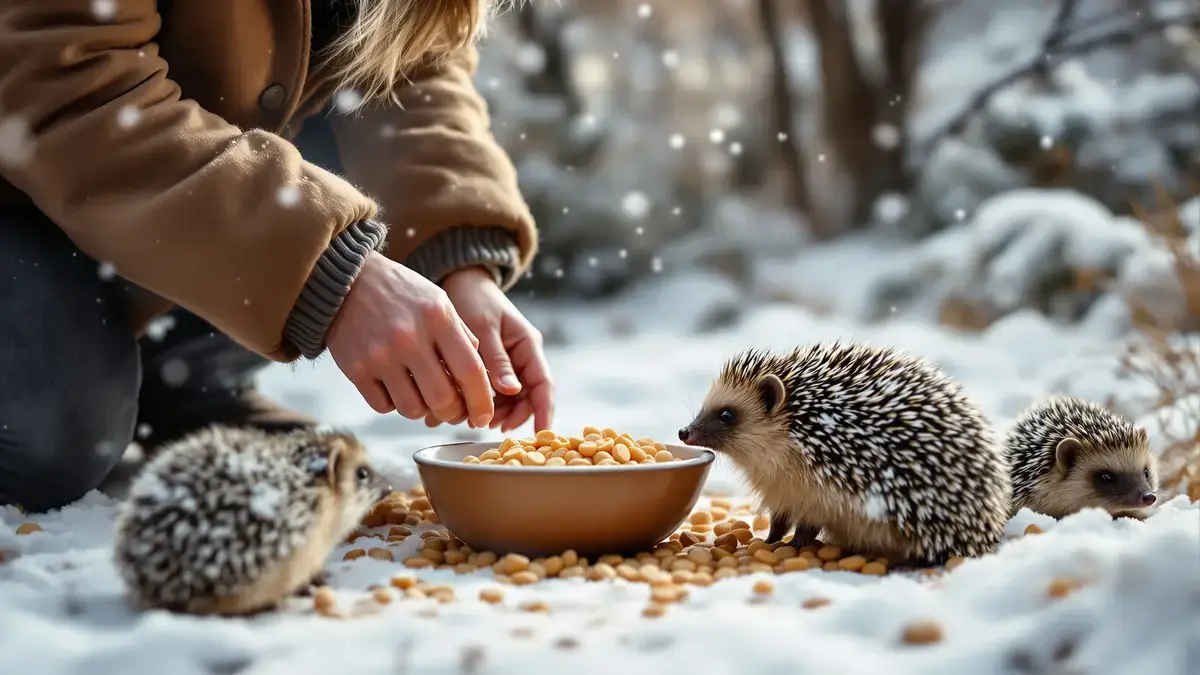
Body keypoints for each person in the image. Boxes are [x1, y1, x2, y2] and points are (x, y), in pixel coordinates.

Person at [0, 0, 554, 512]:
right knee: (51, 434)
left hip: (152, 182)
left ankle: (182, 381)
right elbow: (69, 90)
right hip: (24, 182)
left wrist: (456, 260)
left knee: (297, 119)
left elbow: (409, 62)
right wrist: (332, 270)